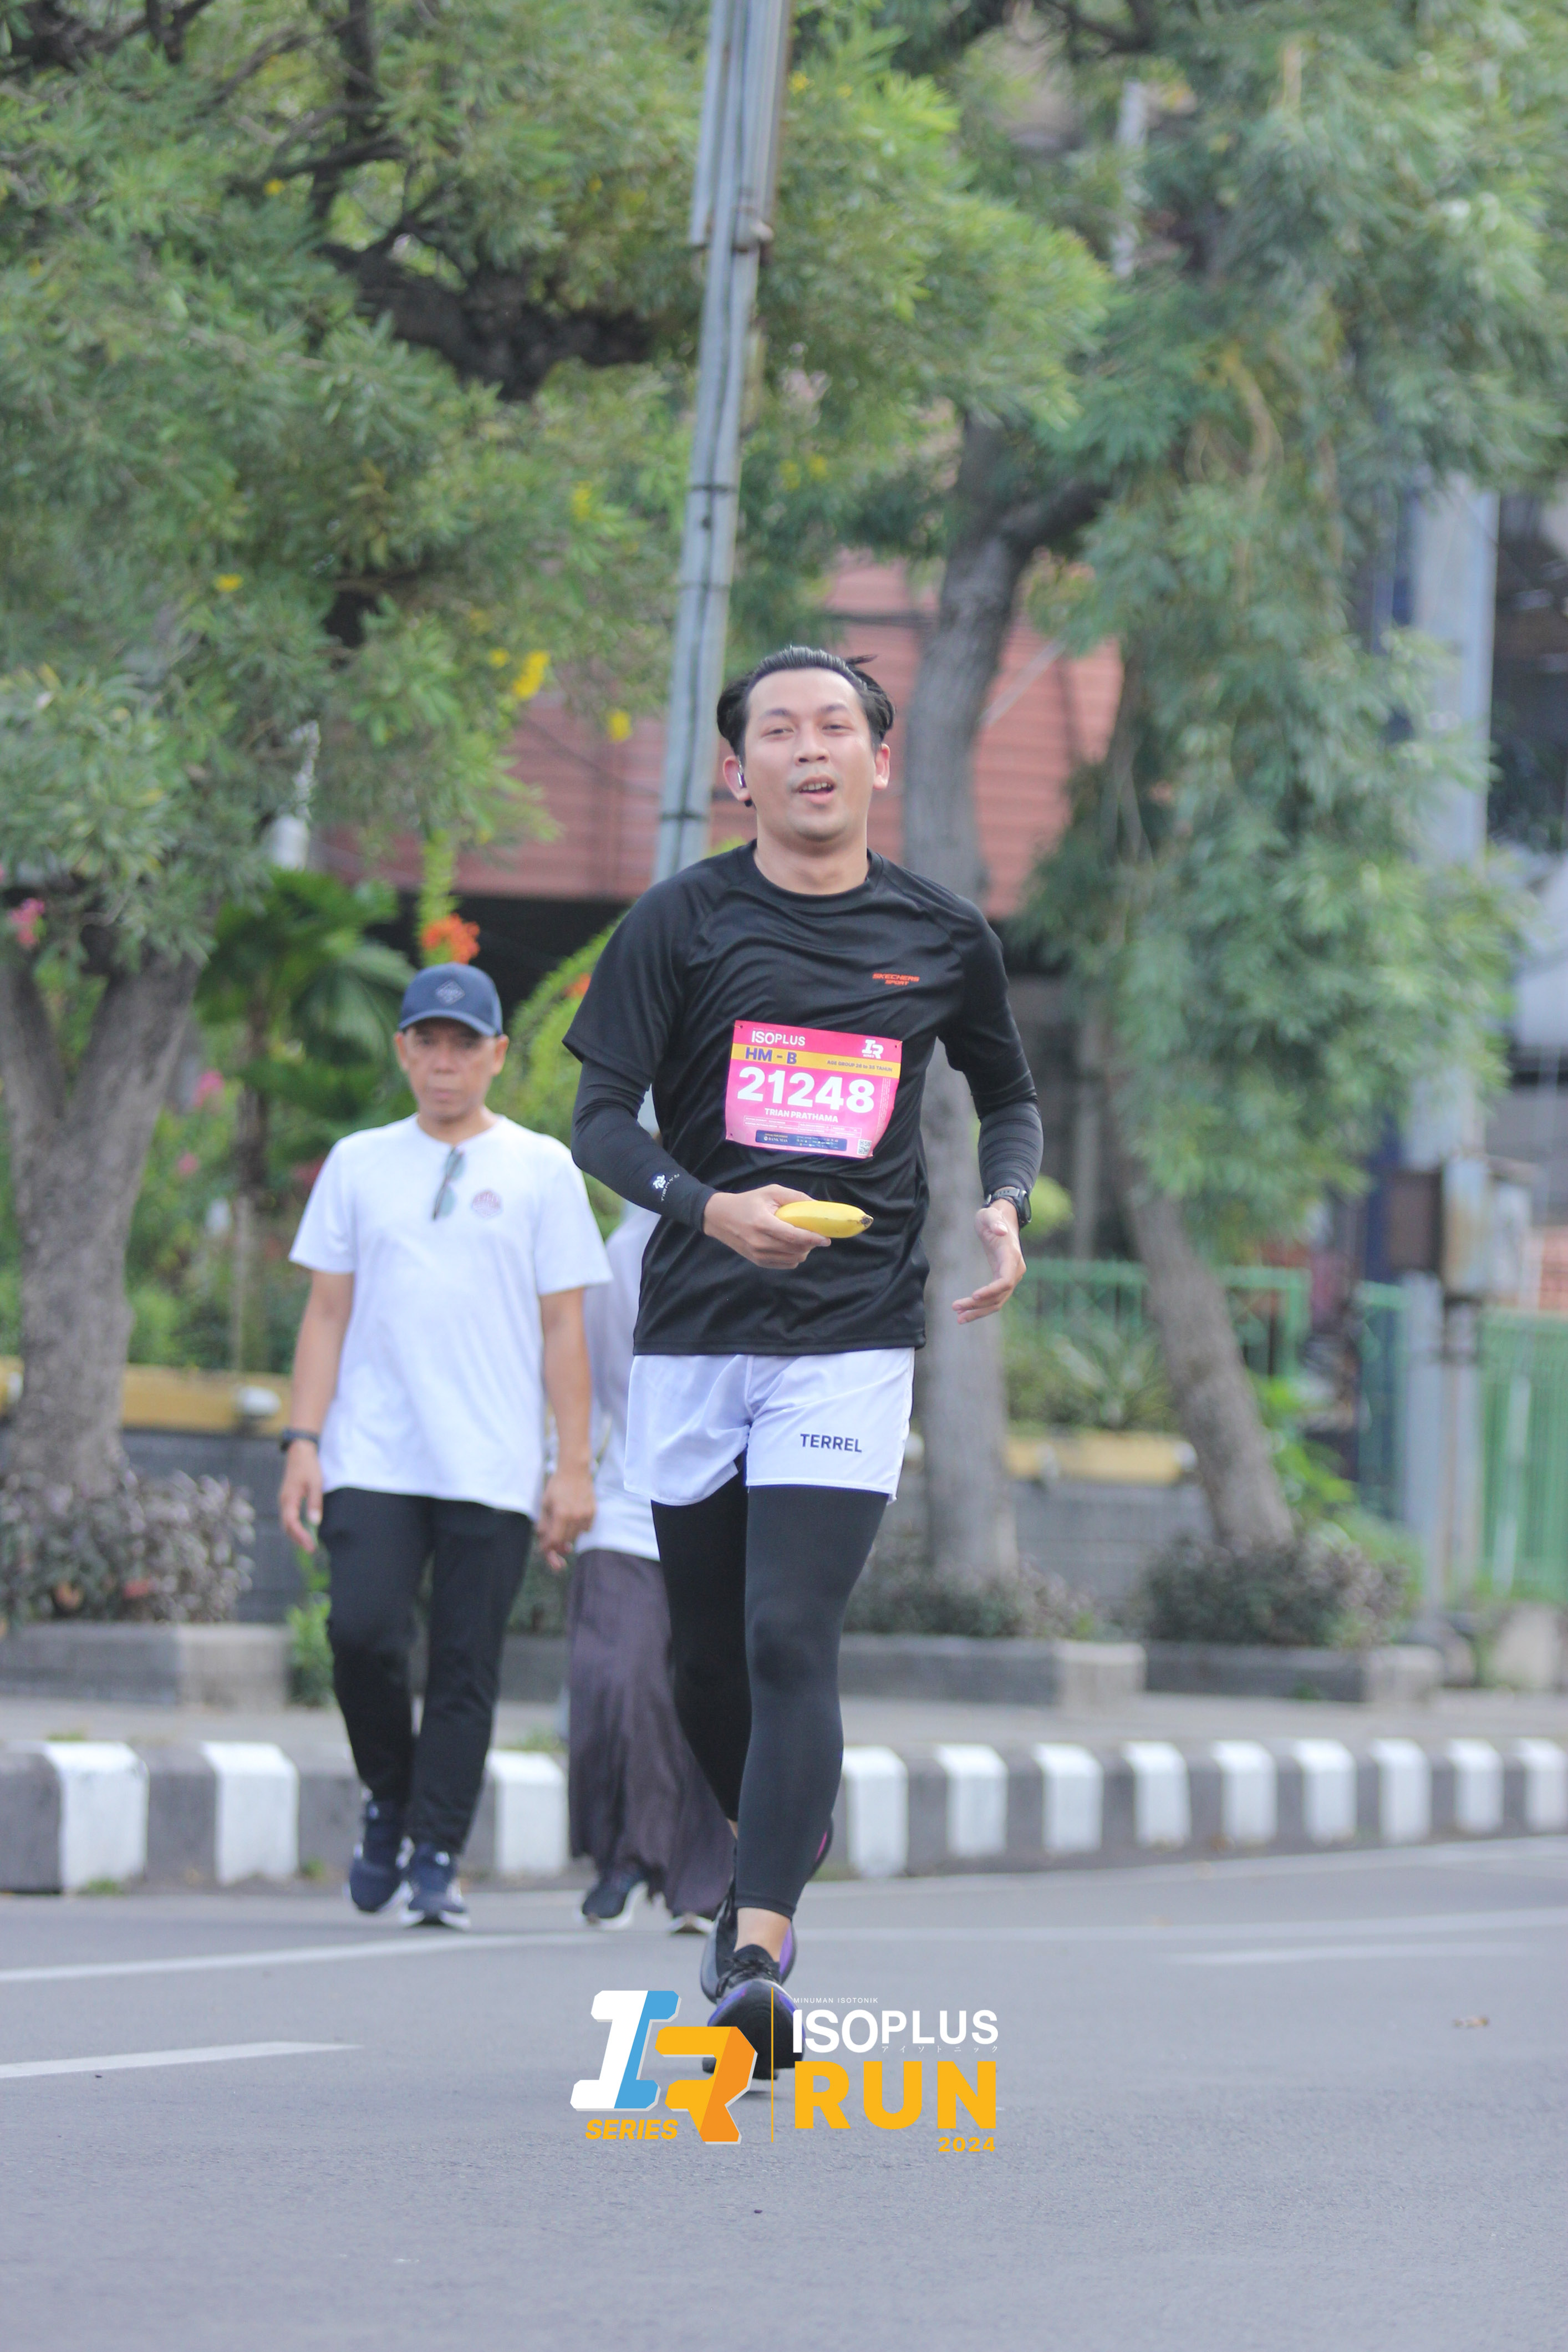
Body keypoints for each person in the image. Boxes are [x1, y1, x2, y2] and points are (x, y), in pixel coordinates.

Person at [566, 648, 1042, 2068]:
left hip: (851, 1337)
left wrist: (1004, 1204)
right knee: (704, 1660)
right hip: (694, 1332)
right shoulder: (679, 922)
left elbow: (1008, 1093)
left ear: (879, 760)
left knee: (789, 1634)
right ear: (738, 772)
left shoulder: (941, 933)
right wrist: (708, 1208)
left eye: (836, 727)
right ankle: (783, 1824)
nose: (810, 749)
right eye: (778, 731)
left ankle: (757, 1943)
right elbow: (601, 1121)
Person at [279, 961, 608, 1928]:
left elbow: (565, 1328)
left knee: (467, 1664)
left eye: (465, 1044)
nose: (445, 1061)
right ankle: (390, 1796)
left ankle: (435, 1852)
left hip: (493, 1460)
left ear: (497, 1054)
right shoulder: (358, 1162)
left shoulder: (542, 1167)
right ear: (404, 1051)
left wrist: (572, 1466)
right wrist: (303, 1439)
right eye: (428, 1041)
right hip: (373, 1451)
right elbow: (326, 1314)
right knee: (361, 1634)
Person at [568, 1201, 734, 1931]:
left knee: (715, 1685)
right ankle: (628, 1857)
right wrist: (566, 1473)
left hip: (732, 1502)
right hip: (630, 1500)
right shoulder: (624, 1249)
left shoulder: (770, 1235)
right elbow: (590, 1379)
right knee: (617, 1673)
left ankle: (705, 1880)